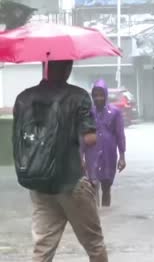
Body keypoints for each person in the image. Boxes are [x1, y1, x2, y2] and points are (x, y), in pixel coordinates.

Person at [13, 60, 108, 261]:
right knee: (94, 244)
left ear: (45, 67)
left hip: (38, 183)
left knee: (43, 248)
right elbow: (89, 139)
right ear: (68, 68)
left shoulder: (23, 98)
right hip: (70, 181)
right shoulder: (78, 96)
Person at [81, 79, 126, 207]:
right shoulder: (88, 113)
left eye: (101, 94)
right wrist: (81, 157)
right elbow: (82, 135)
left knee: (106, 187)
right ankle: (96, 215)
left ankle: (106, 213)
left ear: (106, 95)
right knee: (92, 185)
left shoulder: (115, 112)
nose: (98, 98)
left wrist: (122, 157)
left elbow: (120, 135)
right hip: (92, 152)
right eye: (95, 95)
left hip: (109, 153)